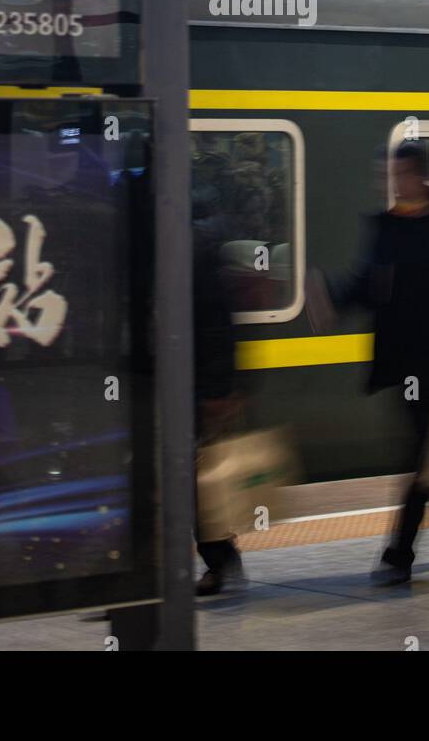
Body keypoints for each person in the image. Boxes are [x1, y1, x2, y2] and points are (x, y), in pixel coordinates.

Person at [325, 141, 429, 586]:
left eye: (399, 176)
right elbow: (368, 283)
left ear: (420, 176)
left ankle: (399, 553)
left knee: (424, 456)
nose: (393, 184)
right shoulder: (387, 228)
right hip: (406, 364)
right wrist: (332, 299)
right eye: (389, 176)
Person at [191, 182, 246, 597]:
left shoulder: (195, 257)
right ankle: (220, 556)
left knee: (197, 482)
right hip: (186, 383)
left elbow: (216, 331)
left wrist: (217, 391)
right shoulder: (202, 252)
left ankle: (219, 558)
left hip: (193, 387)